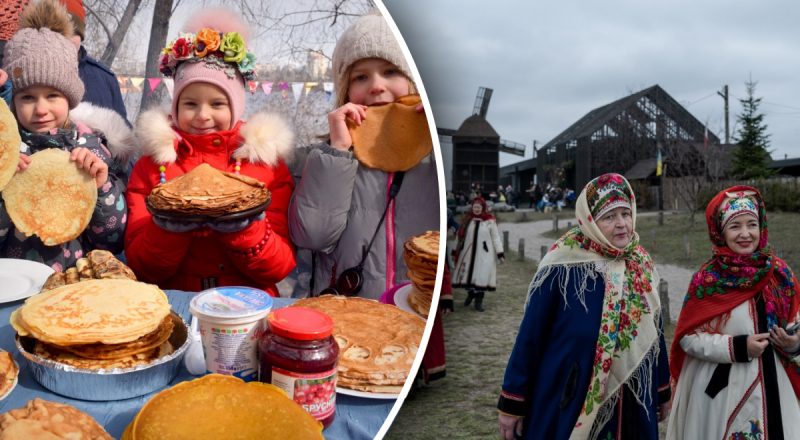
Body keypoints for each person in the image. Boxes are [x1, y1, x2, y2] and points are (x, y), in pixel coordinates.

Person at [125, 8, 296, 295]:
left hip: (247, 304)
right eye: (190, 104)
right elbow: (142, 266)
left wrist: (244, 228)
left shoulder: (264, 165)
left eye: (217, 104)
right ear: (176, 106)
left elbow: (279, 267)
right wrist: (167, 228)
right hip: (174, 303)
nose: (203, 115)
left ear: (236, 106)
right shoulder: (153, 167)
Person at [497, 173, 671, 439]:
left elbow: (655, 335)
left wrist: (661, 390)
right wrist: (512, 401)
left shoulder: (641, 265)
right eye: (609, 217)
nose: (622, 224)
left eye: (626, 213)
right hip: (572, 398)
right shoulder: (562, 267)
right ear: (589, 220)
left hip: (632, 403)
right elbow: (530, 337)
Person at [289, 12, 439, 299]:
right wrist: (338, 152)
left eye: (391, 71)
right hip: (348, 314)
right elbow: (312, 235)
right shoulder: (329, 158)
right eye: (360, 77)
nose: (376, 85)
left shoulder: (433, 157)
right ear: (346, 91)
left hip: (417, 316)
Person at [0, 0, 132, 270]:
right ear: (14, 100)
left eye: (52, 96)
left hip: (70, 286)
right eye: (27, 97)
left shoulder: (90, 150)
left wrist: (102, 187)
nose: (41, 109)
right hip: (10, 286)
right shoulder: (6, 151)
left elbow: (112, 240)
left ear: (70, 97)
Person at [667, 186, 800, 439]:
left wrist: (794, 342)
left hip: (778, 388)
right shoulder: (707, 280)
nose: (745, 234)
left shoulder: (780, 274)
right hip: (725, 392)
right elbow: (688, 337)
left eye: (752, 224)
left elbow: (797, 319)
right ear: (720, 231)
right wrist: (738, 347)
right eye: (735, 226)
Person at [453, 197, 504, 312]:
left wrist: (500, 253)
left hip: (484, 254)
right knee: (468, 276)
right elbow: (460, 236)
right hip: (468, 253)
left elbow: (496, 238)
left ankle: (478, 301)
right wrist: (455, 250)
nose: (476, 209)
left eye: (478, 207)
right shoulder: (467, 220)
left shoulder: (489, 221)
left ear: (483, 208)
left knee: (481, 276)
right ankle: (470, 294)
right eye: (474, 207)